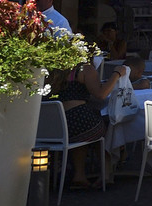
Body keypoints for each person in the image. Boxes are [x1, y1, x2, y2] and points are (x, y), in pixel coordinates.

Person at [50, 58, 125, 188]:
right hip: (79, 122)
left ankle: (79, 175)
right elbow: (101, 94)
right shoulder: (85, 69)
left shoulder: (52, 69)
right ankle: (106, 173)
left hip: (54, 126)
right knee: (105, 127)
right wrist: (116, 74)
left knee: (85, 131)